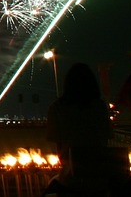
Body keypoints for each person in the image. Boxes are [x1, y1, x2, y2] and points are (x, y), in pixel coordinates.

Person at [45, 61, 115, 193]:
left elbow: (57, 142)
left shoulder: (57, 107)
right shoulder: (99, 106)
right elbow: (105, 138)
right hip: (99, 170)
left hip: (71, 172)